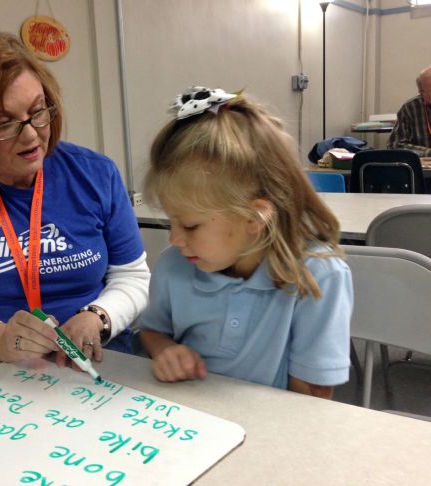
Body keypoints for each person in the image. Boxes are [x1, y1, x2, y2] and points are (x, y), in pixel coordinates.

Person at [0, 31, 150, 367]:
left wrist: (97, 317)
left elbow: (133, 277)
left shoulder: (95, 174)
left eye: (38, 112)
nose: (32, 135)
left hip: (98, 365)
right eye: (4, 124)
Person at [137, 86, 352, 398]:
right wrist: (165, 350)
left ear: (254, 219)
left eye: (190, 225)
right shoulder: (174, 266)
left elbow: (312, 399)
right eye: (171, 220)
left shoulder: (318, 276)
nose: (174, 239)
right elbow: (153, 329)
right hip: (186, 425)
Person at [387, 65, 431, 157]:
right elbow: (395, 146)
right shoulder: (411, 108)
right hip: (424, 169)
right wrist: (428, 153)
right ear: (421, 92)